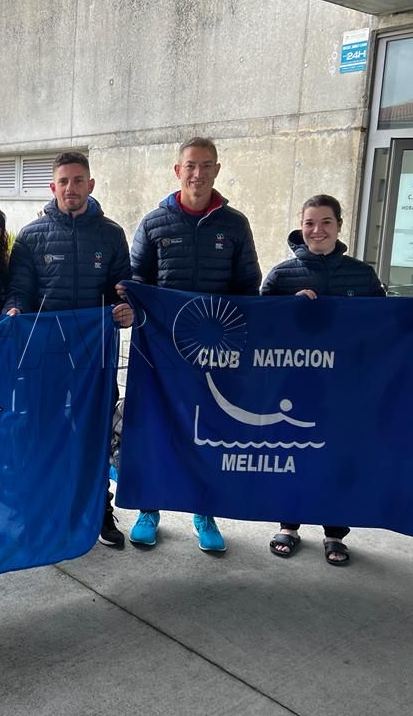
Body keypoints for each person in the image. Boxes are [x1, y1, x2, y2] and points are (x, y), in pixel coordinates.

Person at [125, 137, 262, 553]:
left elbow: (248, 285)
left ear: (217, 170)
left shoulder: (234, 224)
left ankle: (205, 511)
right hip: (160, 350)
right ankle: (149, 509)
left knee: (210, 431)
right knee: (157, 428)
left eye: (205, 166)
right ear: (177, 170)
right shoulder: (154, 223)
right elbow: (137, 279)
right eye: (190, 165)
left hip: (215, 350)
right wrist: (131, 298)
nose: (197, 174)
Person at [4, 151, 133, 547]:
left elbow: (122, 289)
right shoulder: (31, 236)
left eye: (78, 180)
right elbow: (19, 292)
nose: (71, 188)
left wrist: (127, 308)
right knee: (41, 431)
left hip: (95, 355)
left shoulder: (111, 234)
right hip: (45, 356)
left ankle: (98, 509)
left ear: (90, 184)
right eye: (63, 181)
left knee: (94, 432)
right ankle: (37, 509)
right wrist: (14, 309)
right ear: (52, 187)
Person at [261, 194, 384, 566]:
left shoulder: (361, 275)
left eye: (326, 222)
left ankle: (335, 533)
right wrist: (289, 308)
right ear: (301, 226)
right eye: (309, 223)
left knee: (339, 456)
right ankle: (288, 526)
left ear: (339, 226)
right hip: (295, 385)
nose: (317, 230)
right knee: (294, 454)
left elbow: (386, 320)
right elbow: (260, 325)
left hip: (345, 387)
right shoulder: (282, 275)